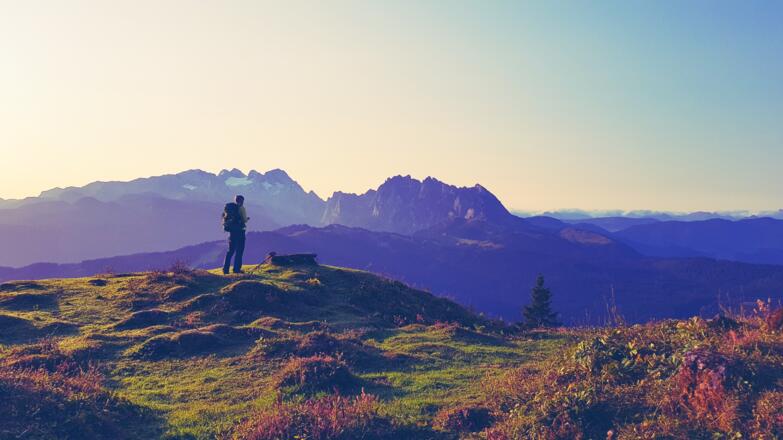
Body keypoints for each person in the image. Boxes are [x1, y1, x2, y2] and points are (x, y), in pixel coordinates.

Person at [222, 195, 249, 274]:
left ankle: (225, 270)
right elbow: (244, 219)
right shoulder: (241, 208)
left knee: (230, 251)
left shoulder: (229, 208)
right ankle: (236, 269)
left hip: (232, 232)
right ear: (242, 201)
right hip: (240, 232)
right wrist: (246, 219)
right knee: (239, 251)